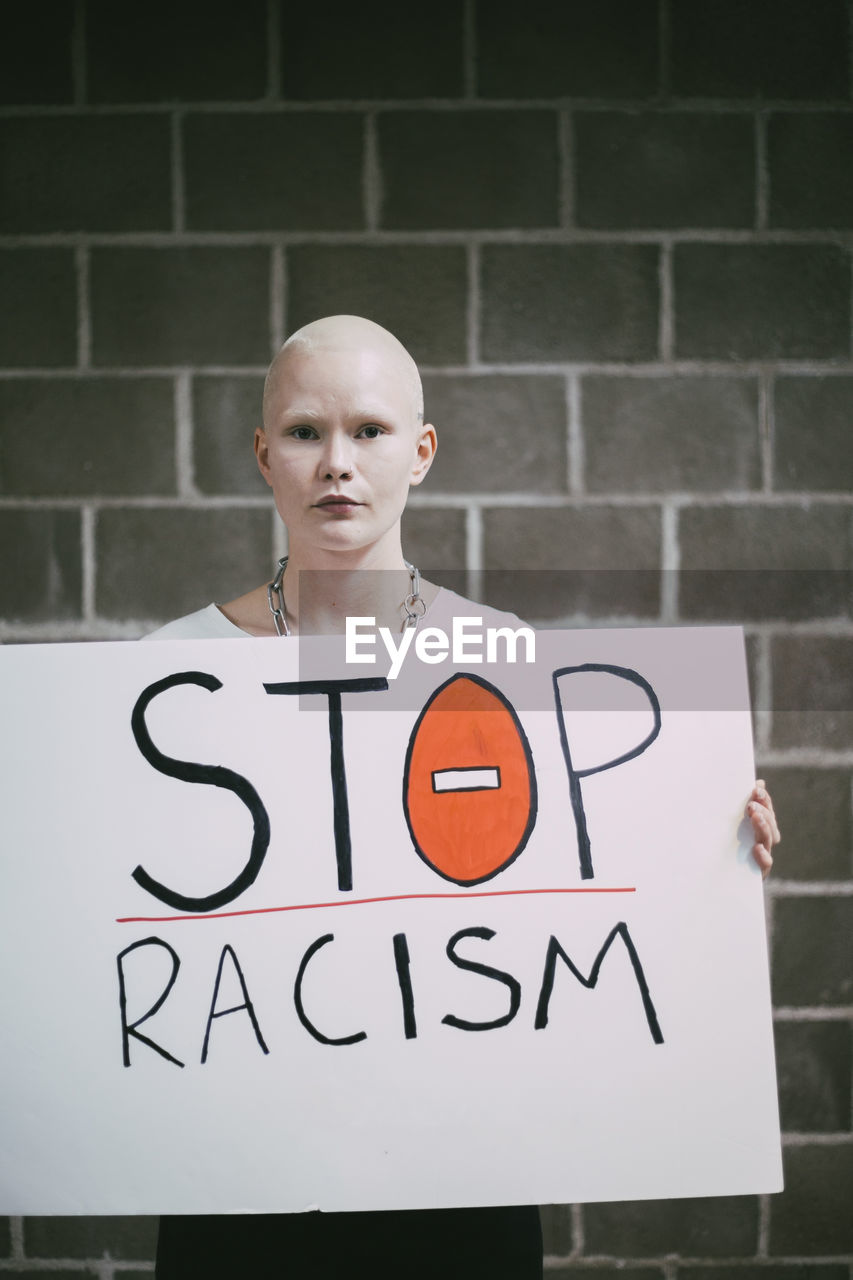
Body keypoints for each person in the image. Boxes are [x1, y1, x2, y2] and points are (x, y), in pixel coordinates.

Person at [148, 314, 780, 1277]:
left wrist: (710, 843)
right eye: (306, 432)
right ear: (263, 454)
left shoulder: (503, 661)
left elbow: (585, 884)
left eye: (369, 431)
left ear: (421, 452)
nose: (336, 465)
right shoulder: (165, 678)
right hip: (239, 1183)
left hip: (455, 1184)